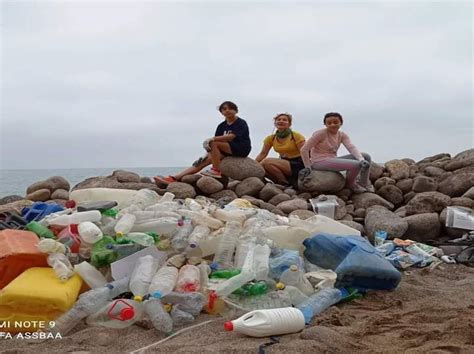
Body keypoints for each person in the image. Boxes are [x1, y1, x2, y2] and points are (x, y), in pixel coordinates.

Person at [154, 101, 251, 184]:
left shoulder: (241, 122)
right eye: (224, 109)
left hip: (241, 148)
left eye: (230, 108)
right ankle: (174, 178)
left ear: (236, 111)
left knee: (213, 142)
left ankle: (216, 171)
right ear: (221, 112)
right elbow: (216, 143)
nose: (227, 110)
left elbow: (230, 137)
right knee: (201, 162)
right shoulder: (221, 126)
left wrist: (211, 139)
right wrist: (205, 155)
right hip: (226, 149)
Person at [299, 112, 375, 193]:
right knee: (357, 165)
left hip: (332, 159)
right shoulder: (320, 134)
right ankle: (350, 184)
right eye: (329, 123)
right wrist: (307, 167)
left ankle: (364, 183)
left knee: (366, 156)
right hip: (319, 161)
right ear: (325, 124)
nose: (332, 125)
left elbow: (351, 147)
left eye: (335, 122)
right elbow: (304, 149)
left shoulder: (342, 135)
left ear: (341, 123)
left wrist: (361, 159)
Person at [255, 113, 306, 187]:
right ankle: (283, 183)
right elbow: (263, 154)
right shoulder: (271, 138)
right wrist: (253, 165)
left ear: (289, 124)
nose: (281, 121)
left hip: (298, 163)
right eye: (278, 120)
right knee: (261, 166)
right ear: (275, 123)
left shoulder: (296, 136)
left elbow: (305, 152)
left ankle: (284, 183)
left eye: (284, 120)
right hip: (284, 162)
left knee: (266, 162)